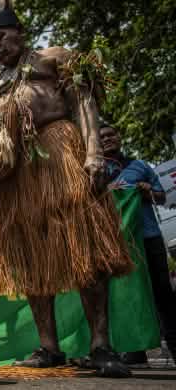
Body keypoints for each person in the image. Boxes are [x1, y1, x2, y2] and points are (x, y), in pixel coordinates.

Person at [0, 0, 134, 377]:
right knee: (29, 257)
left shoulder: (51, 58)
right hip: (12, 178)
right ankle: (48, 346)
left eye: (1, 36)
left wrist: (92, 152)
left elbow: (83, 101)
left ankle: (101, 345)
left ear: (20, 32)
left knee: (84, 247)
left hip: (59, 154)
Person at [102, 124, 176, 366]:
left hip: (149, 237)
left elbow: (162, 197)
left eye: (111, 135)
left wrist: (147, 191)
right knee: (126, 296)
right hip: (118, 243)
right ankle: (134, 350)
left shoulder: (140, 166)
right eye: (101, 137)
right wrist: (108, 193)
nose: (107, 140)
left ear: (119, 137)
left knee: (162, 293)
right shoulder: (96, 171)